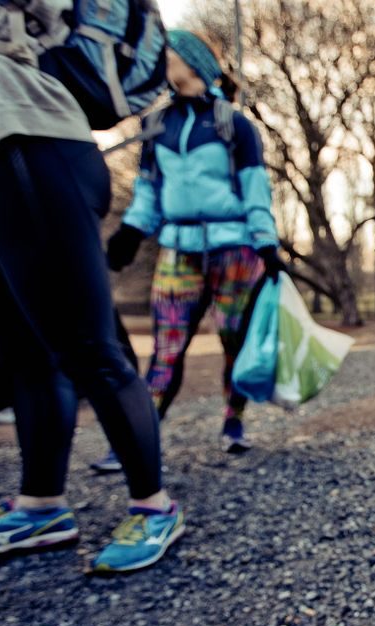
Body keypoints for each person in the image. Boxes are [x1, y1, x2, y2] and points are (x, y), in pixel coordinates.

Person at [0, 0, 182, 572]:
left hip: (28, 132)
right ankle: (43, 507)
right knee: (24, 354)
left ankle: (154, 505)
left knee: (88, 349)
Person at [93, 29, 283, 473]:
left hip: (235, 249)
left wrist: (267, 244)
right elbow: (149, 191)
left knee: (234, 340)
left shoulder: (233, 123)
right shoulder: (156, 124)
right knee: (167, 346)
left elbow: (256, 189)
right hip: (177, 249)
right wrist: (131, 232)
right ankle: (139, 438)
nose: (161, 61)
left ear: (192, 62)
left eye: (169, 54)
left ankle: (233, 421)